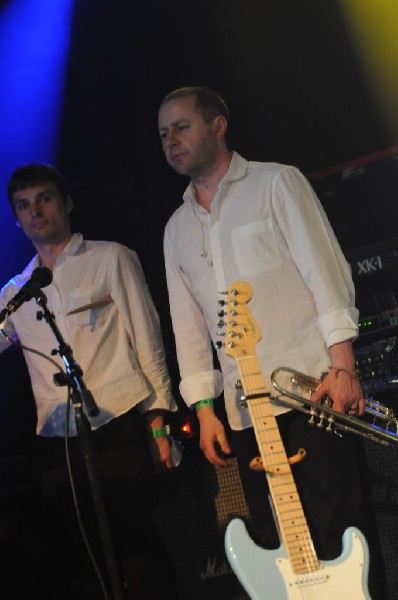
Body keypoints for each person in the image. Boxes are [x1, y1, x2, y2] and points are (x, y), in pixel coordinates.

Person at [158, 86, 386, 598]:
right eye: (163, 133)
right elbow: (187, 328)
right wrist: (204, 406)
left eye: (182, 126)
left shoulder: (276, 183)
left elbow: (325, 272)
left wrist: (343, 362)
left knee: (343, 541)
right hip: (244, 415)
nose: (171, 140)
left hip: (315, 393)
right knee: (278, 551)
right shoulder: (175, 230)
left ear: (218, 125)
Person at [0, 163, 179, 599]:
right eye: (23, 206)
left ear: (66, 203)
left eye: (44, 199)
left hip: (118, 426)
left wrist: (159, 421)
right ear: (16, 218)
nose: (35, 212)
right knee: (82, 558)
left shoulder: (110, 258)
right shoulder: (15, 293)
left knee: (138, 549)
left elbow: (148, 338)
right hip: (56, 442)